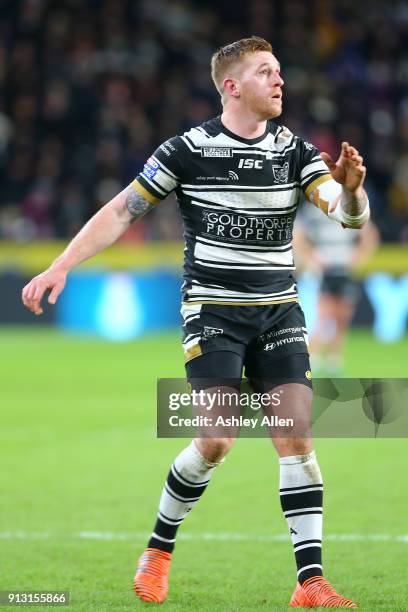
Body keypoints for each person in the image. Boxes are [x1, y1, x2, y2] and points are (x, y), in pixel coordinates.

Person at [22, 37, 369, 608]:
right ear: (232, 86)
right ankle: (158, 551)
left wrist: (353, 192)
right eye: (265, 72)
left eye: (280, 70)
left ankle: (310, 582)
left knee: (298, 436)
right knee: (215, 438)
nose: (280, 80)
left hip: (279, 313)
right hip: (212, 314)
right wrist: (61, 264)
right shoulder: (188, 149)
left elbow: (348, 214)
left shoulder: (297, 151)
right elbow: (120, 210)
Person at [293, 208, 379, 375]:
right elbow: (299, 235)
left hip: (345, 270)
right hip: (326, 271)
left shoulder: (349, 210)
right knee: (324, 315)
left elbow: (370, 235)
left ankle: (334, 358)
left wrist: (359, 259)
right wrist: (310, 259)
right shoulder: (314, 212)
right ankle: (315, 356)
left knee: (343, 317)